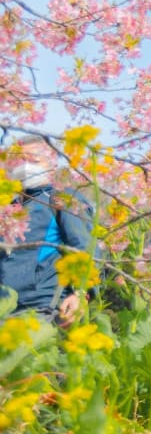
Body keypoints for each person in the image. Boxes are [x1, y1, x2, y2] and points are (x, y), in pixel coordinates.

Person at [0, 136, 98, 324]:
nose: (26, 166)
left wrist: (81, 293)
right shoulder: (9, 210)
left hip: (43, 307)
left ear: (52, 163)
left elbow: (85, 248)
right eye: (21, 160)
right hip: (5, 308)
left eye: (34, 160)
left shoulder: (62, 199)